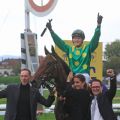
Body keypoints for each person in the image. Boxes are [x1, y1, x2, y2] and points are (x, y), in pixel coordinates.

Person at [46, 13, 103, 83]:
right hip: (72, 75)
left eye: (79, 38)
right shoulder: (69, 49)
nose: (76, 40)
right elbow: (59, 42)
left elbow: (95, 39)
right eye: (75, 38)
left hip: (84, 75)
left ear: (82, 40)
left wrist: (98, 25)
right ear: (72, 40)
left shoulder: (88, 48)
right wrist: (51, 30)